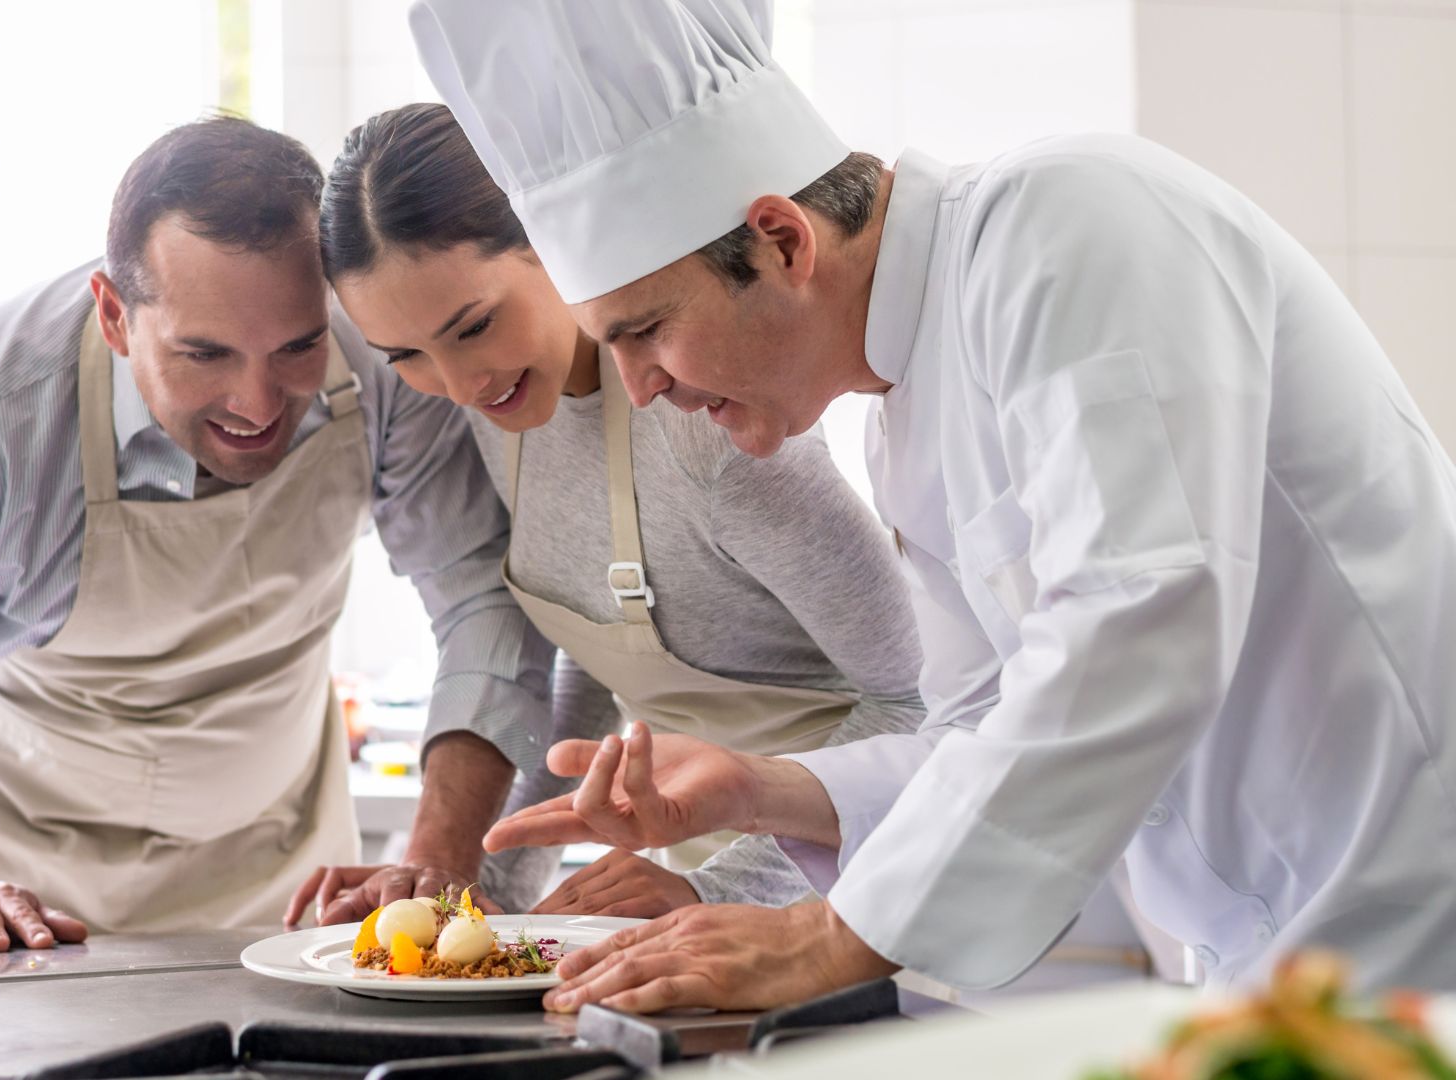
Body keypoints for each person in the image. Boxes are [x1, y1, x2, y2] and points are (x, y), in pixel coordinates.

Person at [413, 0, 1456, 1009]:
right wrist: (759, 787)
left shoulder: (1073, 222)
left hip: (1418, 916)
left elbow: (1139, 620)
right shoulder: (902, 415)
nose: (638, 387)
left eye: (644, 330)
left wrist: (833, 940)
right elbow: (980, 728)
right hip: (1277, 959)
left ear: (780, 240)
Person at [0, 116, 557, 952]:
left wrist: (437, 859)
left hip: (288, 889)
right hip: (20, 910)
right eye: (203, 355)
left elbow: (481, 602)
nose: (255, 404)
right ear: (113, 315)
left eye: (297, 348)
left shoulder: (385, 353)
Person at [293, 102, 925, 922]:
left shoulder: (712, 433)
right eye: (407, 355)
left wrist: (716, 893)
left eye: (475, 326)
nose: (460, 384)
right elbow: (595, 664)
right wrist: (485, 904)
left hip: (861, 888)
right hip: (695, 902)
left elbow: (918, 701)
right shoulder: (505, 417)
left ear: (554, 247)